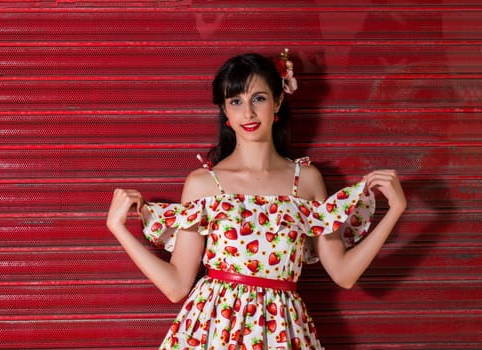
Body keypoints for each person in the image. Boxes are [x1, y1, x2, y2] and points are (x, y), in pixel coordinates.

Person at [106, 51, 406, 349]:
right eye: (236, 102)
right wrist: (118, 228)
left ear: (277, 101)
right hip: (213, 332)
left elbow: (343, 274)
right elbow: (176, 287)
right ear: (225, 111)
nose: (248, 113)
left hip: (282, 333)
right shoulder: (203, 184)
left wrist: (395, 211)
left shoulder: (307, 179)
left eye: (258, 98)